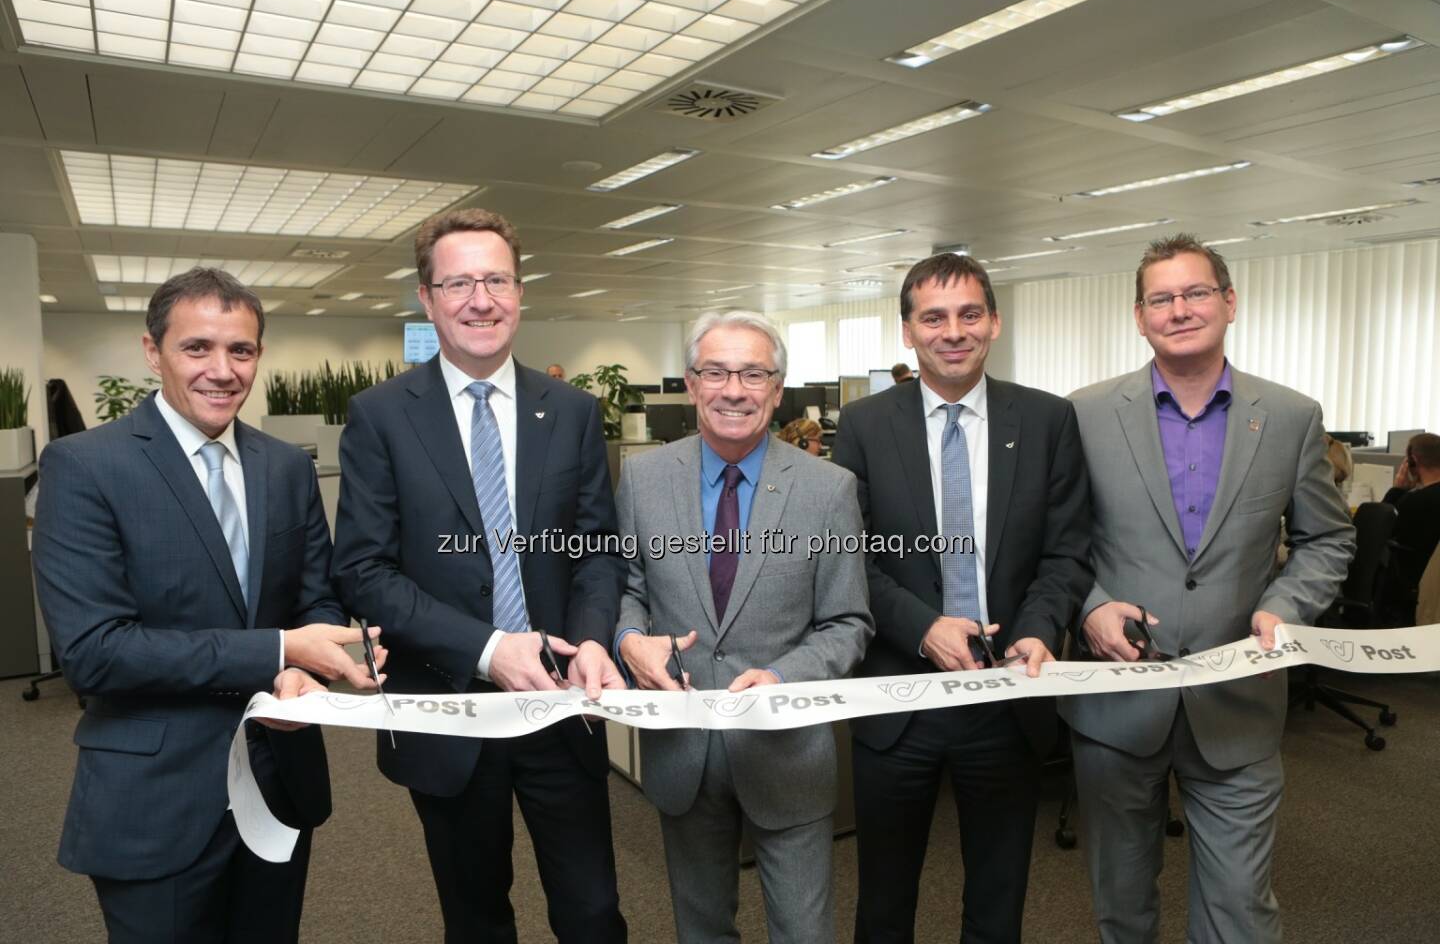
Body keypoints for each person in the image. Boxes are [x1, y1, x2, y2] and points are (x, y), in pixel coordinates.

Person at [32, 267, 384, 944]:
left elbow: (313, 597)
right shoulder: (85, 466)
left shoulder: (284, 466)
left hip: (278, 782)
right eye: (197, 348)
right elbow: (95, 653)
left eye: (242, 351)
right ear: (152, 350)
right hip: (157, 797)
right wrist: (278, 650)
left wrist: (304, 670)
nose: (222, 370)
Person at [331, 208, 628, 944]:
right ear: (427, 300)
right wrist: (490, 647)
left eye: (496, 279)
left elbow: (595, 552)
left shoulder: (573, 412)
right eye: (458, 282)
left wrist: (593, 640)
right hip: (450, 709)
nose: (480, 299)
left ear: (520, 293)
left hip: (562, 705)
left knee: (593, 914)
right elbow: (364, 570)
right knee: (477, 918)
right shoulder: (379, 417)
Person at [1062, 234, 1355, 944]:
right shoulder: (1083, 414)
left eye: (1196, 293)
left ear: (1229, 302)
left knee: (1239, 911)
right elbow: (1057, 545)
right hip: (1116, 701)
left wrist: (1284, 608)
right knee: (1122, 906)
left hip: (1239, 700)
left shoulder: (1289, 416)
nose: (1180, 309)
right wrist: (1092, 606)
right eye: (1161, 298)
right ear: (1139, 316)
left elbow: (1328, 538)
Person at [831, 253, 1092, 943]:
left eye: (970, 314)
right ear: (908, 331)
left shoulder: (1046, 420)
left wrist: (1038, 629)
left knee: (997, 903)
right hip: (897, 698)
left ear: (995, 322)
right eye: (934, 317)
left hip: (1006, 696)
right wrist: (923, 629)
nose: (954, 331)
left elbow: (1065, 550)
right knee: (884, 904)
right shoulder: (861, 426)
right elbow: (848, 556)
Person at [613, 310, 873, 944]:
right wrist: (628, 640)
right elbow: (629, 592)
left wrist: (785, 674)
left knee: (804, 933)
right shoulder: (644, 479)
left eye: (753, 373)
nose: (735, 389)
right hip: (683, 748)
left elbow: (849, 621)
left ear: (777, 389)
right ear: (691, 382)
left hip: (786, 750)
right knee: (700, 929)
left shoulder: (829, 489)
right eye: (717, 372)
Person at [1380, 432, 1440, 623]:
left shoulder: (1413, 502)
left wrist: (1397, 489)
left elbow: (1378, 533)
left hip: (1411, 593)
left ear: (1412, 461)